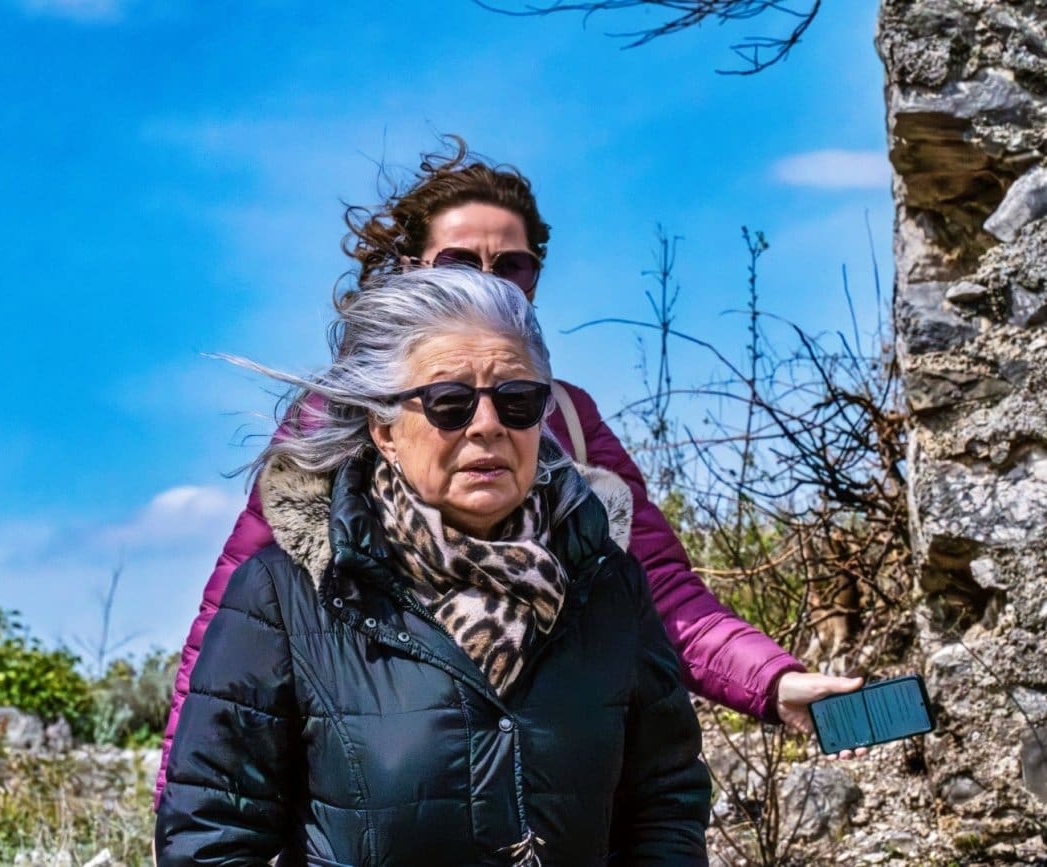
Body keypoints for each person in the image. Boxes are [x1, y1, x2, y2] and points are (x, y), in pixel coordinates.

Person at [154, 138, 864, 808]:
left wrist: (775, 681)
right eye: (459, 260)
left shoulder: (566, 418)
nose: (487, 280)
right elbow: (230, 631)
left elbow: (662, 593)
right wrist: (176, 797)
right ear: (412, 267)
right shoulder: (336, 416)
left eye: (513, 265)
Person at [155, 268, 711, 865]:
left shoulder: (606, 582)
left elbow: (665, 803)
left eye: (518, 401)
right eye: (450, 403)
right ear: (385, 429)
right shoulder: (287, 596)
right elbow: (210, 838)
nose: (488, 425)